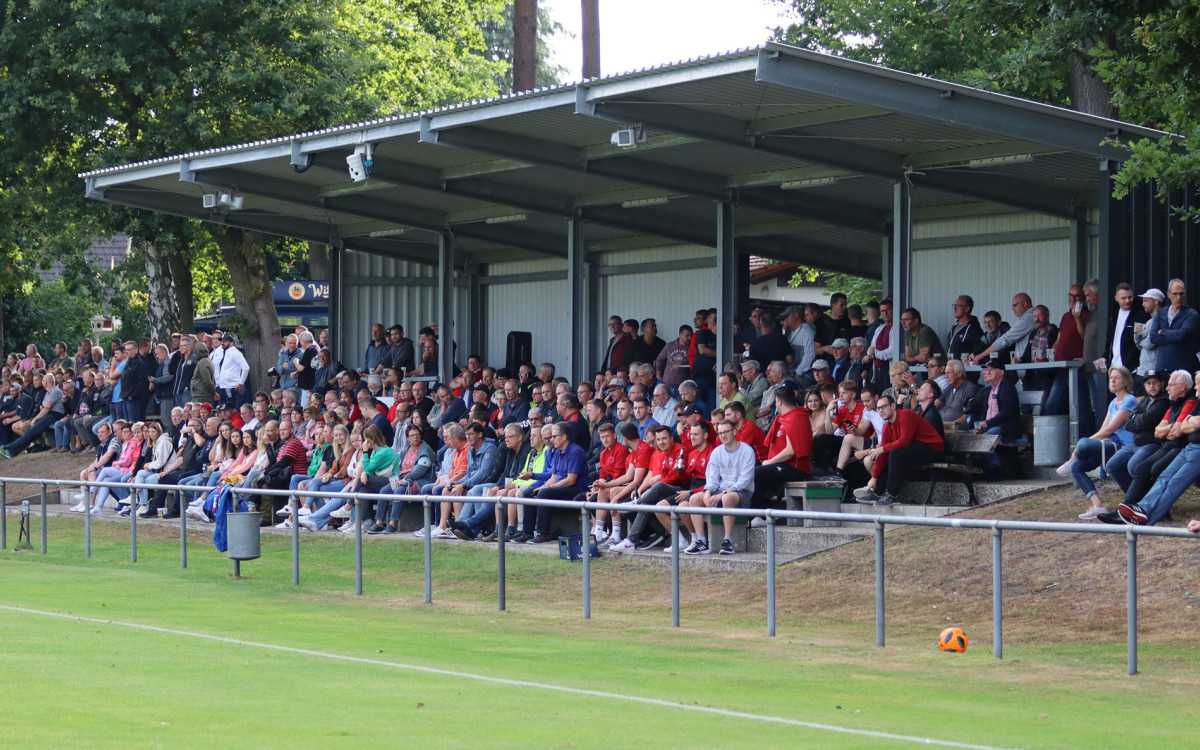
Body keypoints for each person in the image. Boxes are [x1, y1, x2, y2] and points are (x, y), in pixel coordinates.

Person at [1118, 373, 1200, 527]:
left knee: (1175, 483)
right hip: (1189, 447)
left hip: (1194, 450)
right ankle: (1142, 509)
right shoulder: (1195, 402)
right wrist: (1190, 422)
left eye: (1198, 384)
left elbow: (1184, 427)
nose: (1195, 387)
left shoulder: (1191, 400)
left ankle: (1147, 521)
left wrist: (1191, 422)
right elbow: (1183, 426)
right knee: (1164, 477)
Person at [1061, 366, 1138, 520]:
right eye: (1111, 378)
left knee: (1083, 443)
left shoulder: (1129, 400)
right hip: (1109, 444)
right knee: (1076, 467)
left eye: (1117, 378)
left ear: (1126, 382)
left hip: (1123, 446)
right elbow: (1103, 430)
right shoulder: (1113, 402)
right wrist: (1088, 443)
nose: (1113, 381)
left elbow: (1109, 430)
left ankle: (1073, 457)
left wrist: (1083, 445)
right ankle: (1098, 506)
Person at [853, 393, 944, 506]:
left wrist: (883, 449)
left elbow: (904, 441)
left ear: (893, 406)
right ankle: (878, 493)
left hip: (933, 449)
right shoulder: (887, 427)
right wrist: (874, 478)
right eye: (878, 408)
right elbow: (883, 454)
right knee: (890, 453)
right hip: (915, 449)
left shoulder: (905, 415)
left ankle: (892, 496)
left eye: (883, 407)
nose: (881, 411)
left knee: (895, 453)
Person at [682, 419, 756, 556]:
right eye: (720, 433)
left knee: (727, 498)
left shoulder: (747, 451)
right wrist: (707, 492)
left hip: (741, 493)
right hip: (719, 490)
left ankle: (728, 542)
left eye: (726, 432)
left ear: (734, 432)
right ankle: (701, 542)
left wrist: (722, 494)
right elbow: (712, 478)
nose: (723, 435)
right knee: (694, 499)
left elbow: (744, 481)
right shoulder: (717, 452)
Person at [749, 385, 812, 512]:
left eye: (776, 402)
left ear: (780, 402)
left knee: (755, 474)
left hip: (793, 467)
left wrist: (770, 462)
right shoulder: (786, 417)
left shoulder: (796, 418)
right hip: (781, 464)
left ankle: (759, 515)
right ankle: (763, 508)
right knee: (748, 469)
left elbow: (790, 451)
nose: (776, 405)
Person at [967, 361, 1021, 470]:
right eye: (985, 370)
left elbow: (1007, 412)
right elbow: (985, 411)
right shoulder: (990, 389)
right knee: (965, 436)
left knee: (984, 439)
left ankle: (996, 467)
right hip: (990, 426)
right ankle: (969, 467)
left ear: (1001, 372)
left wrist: (988, 423)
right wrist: (981, 425)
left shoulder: (1007, 387)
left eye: (990, 370)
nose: (985, 373)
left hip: (1004, 427)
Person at [0, 373, 66, 458]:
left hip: (54, 415)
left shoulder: (55, 391)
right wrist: (44, 406)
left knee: (30, 432)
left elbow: (47, 409)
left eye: (43, 381)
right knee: (30, 433)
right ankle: (12, 451)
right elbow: (42, 407)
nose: (42, 382)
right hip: (47, 415)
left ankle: (9, 448)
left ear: (46, 382)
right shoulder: (48, 393)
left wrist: (35, 418)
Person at [1148, 279, 1198, 373]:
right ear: (1168, 294)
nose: (1178, 297)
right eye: (1175, 294)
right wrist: (1175, 336)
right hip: (1162, 367)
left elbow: (1182, 334)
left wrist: (1163, 332)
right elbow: (1153, 338)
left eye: (1181, 293)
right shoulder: (1161, 313)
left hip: (1182, 369)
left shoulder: (1191, 314)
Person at [969, 293, 1034, 365]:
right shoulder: (1029, 317)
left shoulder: (1027, 318)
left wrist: (981, 356)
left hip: (1026, 366)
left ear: (1024, 304)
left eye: (1015, 305)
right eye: (985, 322)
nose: (1013, 308)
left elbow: (1005, 340)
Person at [1108, 283, 1149, 374]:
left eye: (1130, 297)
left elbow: (1142, 340)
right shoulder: (1114, 314)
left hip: (1132, 369)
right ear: (1116, 298)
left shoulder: (1140, 314)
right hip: (1114, 366)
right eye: (1123, 298)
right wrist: (1105, 356)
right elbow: (1111, 339)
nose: (1127, 301)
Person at [1133, 288, 1164, 380]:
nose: (1143, 304)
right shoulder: (1149, 321)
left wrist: (1141, 340)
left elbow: (1149, 344)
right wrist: (1136, 335)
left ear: (1156, 302)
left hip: (1152, 372)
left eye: (1146, 301)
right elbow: (1138, 346)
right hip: (1142, 371)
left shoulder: (1161, 321)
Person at [938, 359, 980, 426]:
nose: (946, 376)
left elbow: (965, 418)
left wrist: (948, 426)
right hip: (945, 427)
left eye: (948, 373)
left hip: (959, 428)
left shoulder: (970, 388)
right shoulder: (949, 388)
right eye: (945, 373)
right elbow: (936, 405)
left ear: (959, 374)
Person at [946, 295, 984, 361]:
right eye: (954, 305)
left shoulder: (974, 329)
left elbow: (978, 352)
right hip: (951, 364)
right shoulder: (954, 327)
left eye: (958, 306)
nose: (955, 308)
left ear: (967, 308)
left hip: (964, 366)